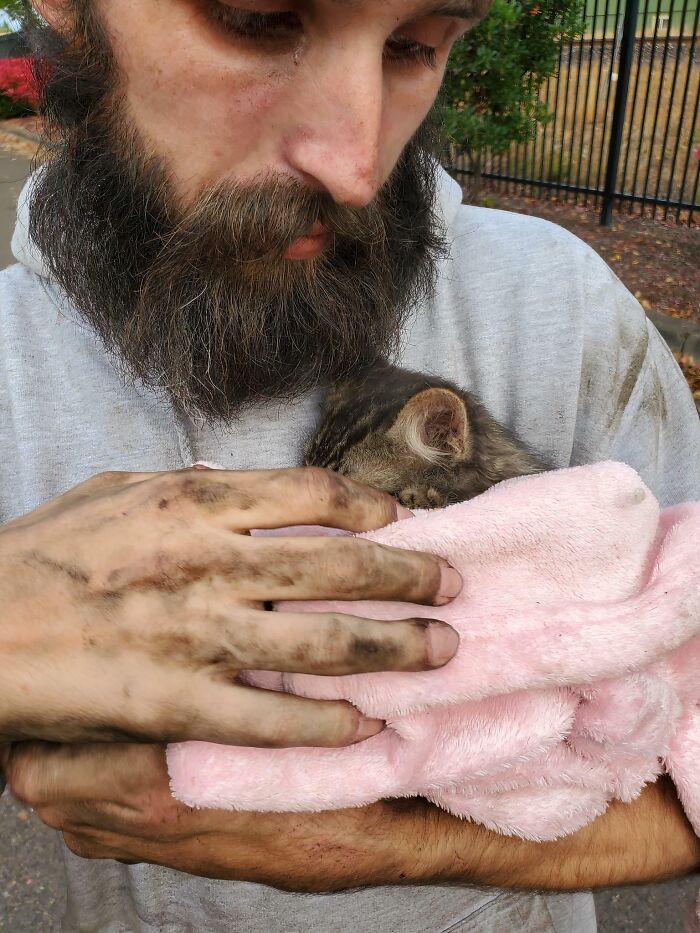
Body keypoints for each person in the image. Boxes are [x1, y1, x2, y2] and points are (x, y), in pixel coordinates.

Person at [1, 0, 699, 931]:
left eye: (415, 47)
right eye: (258, 21)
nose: (359, 166)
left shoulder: (560, 310)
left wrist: (386, 842)